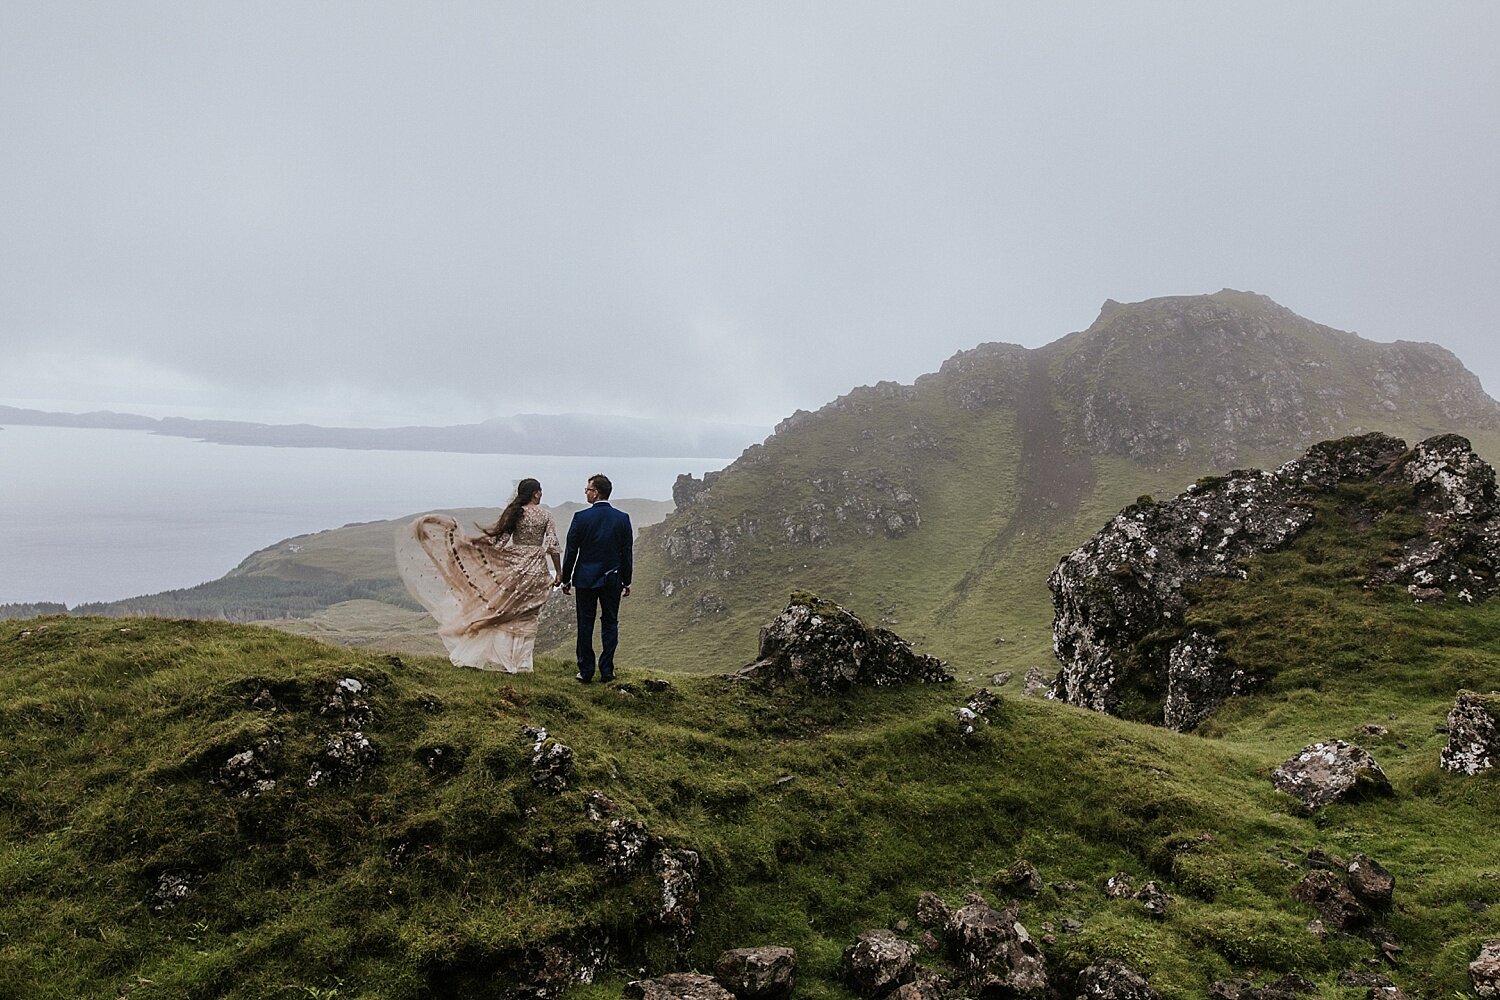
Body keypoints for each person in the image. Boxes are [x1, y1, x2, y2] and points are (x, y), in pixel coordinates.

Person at [395, 477, 562, 672]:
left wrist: (482, 557)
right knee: (528, 614)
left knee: (507, 614)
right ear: (536, 493)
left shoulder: (515, 513)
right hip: (536, 568)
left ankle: (509, 660)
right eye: (540, 491)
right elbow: (552, 544)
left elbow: (500, 542)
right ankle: (522, 662)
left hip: (515, 565)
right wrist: (558, 571)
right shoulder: (546, 515)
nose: (541, 494)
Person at [560, 473, 633, 683]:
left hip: (585, 579)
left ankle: (585, 670)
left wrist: (567, 579)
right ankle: (607, 670)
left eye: (588, 489)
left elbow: (571, 551)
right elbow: (626, 552)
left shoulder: (581, 518)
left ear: (596, 492)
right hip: (612, 579)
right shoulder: (622, 518)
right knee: (610, 622)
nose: (586, 493)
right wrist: (627, 580)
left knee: (585, 622)